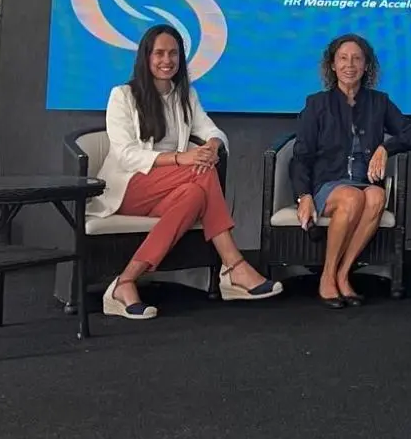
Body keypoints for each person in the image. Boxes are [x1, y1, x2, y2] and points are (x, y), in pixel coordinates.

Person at [92, 24, 282, 320]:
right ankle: (234, 266)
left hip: (168, 189)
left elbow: (213, 131)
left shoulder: (185, 95)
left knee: (195, 193)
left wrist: (212, 147)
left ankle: (125, 281)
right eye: (159, 53)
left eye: (173, 54)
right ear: (146, 57)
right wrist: (182, 159)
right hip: (127, 188)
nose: (167, 60)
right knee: (199, 172)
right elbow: (127, 155)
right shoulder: (123, 95)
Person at [291, 34, 411, 307]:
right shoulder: (317, 104)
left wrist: (386, 147)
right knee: (352, 198)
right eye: (343, 58)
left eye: (356, 59)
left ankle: (343, 274)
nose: (349, 65)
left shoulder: (379, 102)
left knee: (376, 196)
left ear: (366, 66)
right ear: (332, 65)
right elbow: (301, 156)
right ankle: (327, 276)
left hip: (362, 182)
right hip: (328, 184)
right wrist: (303, 195)